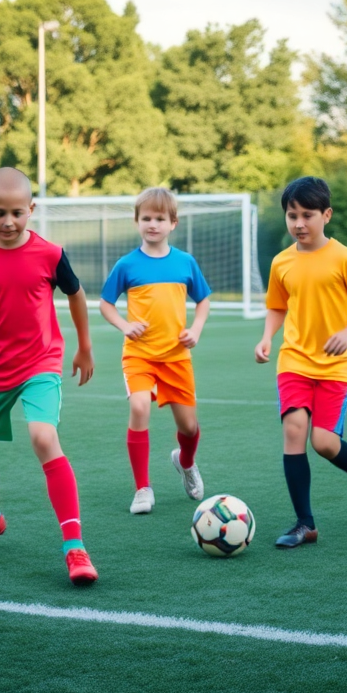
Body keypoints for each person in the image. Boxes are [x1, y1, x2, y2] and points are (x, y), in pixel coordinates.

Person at [0, 167, 99, 586]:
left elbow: (76, 294)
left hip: (39, 363)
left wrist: (84, 346)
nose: (9, 221)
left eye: (17, 213)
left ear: (32, 209)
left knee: (44, 437)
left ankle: (75, 548)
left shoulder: (50, 253)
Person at [254, 176, 347, 549]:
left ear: (326, 215)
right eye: (292, 215)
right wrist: (267, 337)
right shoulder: (282, 262)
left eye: (307, 215)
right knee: (295, 431)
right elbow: (277, 306)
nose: (299, 223)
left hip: (336, 365)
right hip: (294, 359)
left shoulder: (345, 258)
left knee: (325, 443)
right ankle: (305, 524)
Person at [98, 187, 212, 514]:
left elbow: (202, 300)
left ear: (172, 223)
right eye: (146, 218)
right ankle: (142, 489)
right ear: (137, 222)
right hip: (139, 355)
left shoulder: (185, 262)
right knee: (138, 408)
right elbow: (106, 303)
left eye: (160, 218)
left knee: (189, 428)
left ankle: (185, 462)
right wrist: (124, 326)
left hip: (176, 356)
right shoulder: (127, 264)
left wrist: (196, 329)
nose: (153, 224)